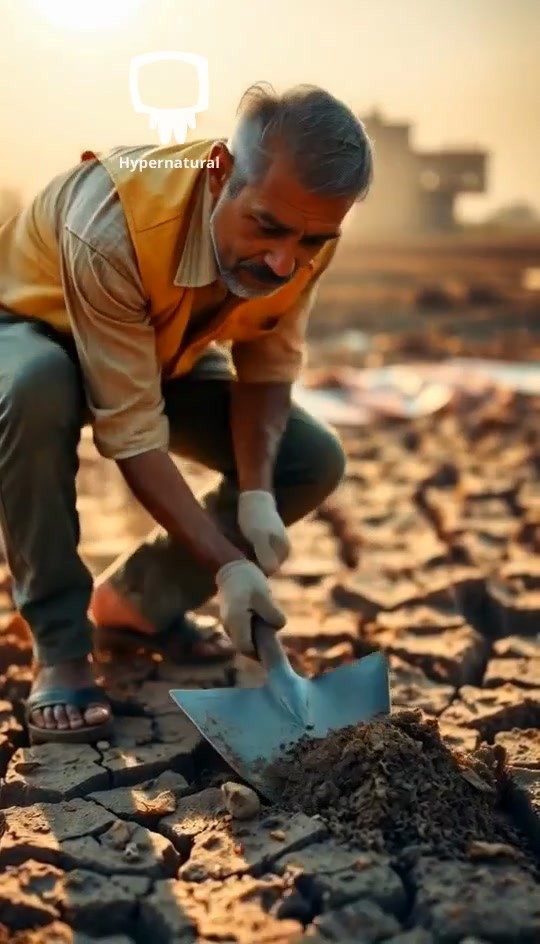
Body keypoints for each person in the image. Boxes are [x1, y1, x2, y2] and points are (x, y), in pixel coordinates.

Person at [0, 83, 373, 743]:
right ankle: (59, 644)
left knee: (310, 459)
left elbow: (267, 365)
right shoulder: (114, 224)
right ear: (221, 173)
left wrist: (257, 493)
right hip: (33, 324)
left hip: (162, 340)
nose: (286, 260)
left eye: (312, 240)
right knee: (37, 390)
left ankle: (135, 606)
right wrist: (228, 562)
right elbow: (133, 430)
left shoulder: (307, 227)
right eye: (266, 227)